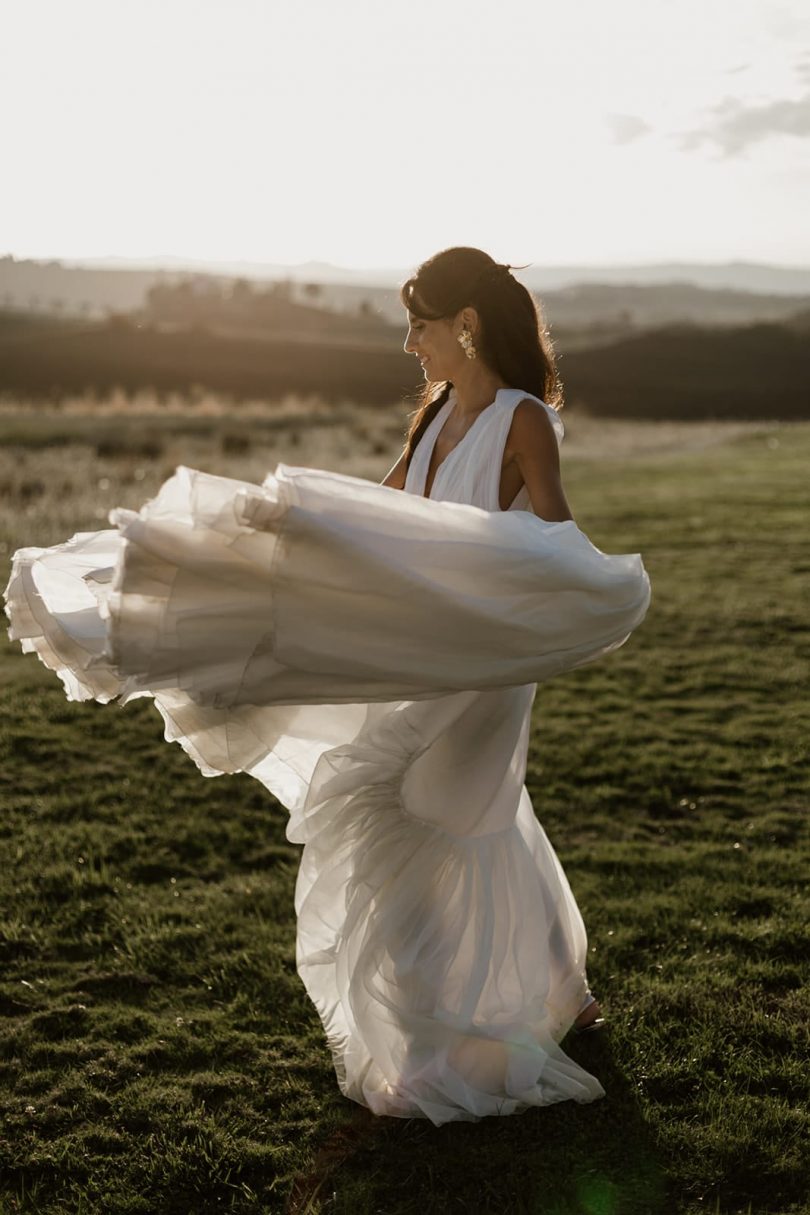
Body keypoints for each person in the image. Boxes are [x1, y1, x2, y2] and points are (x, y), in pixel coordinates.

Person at [3, 246, 651, 1126]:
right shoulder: (431, 422)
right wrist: (286, 531)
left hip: (478, 666)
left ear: (464, 325)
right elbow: (376, 523)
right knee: (478, 809)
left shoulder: (522, 421)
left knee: (426, 810)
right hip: (413, 658)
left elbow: (553, 542)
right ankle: (565, 991)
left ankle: (430, 1031)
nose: (410, 345)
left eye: (420, 326)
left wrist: (574, 591)